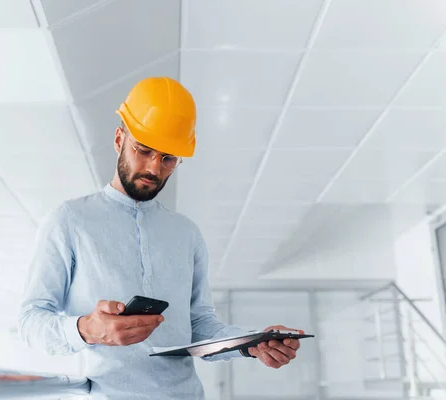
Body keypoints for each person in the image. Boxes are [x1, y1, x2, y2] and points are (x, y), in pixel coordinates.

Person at [18, 76, 304, 399]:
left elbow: (199, 328)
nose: (154, 168)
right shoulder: (68, 222)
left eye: (168, 159)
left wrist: (251, 344)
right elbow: (30, 322)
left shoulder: (187, 235)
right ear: (118, 140)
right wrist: (88, 329)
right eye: (144, 151)